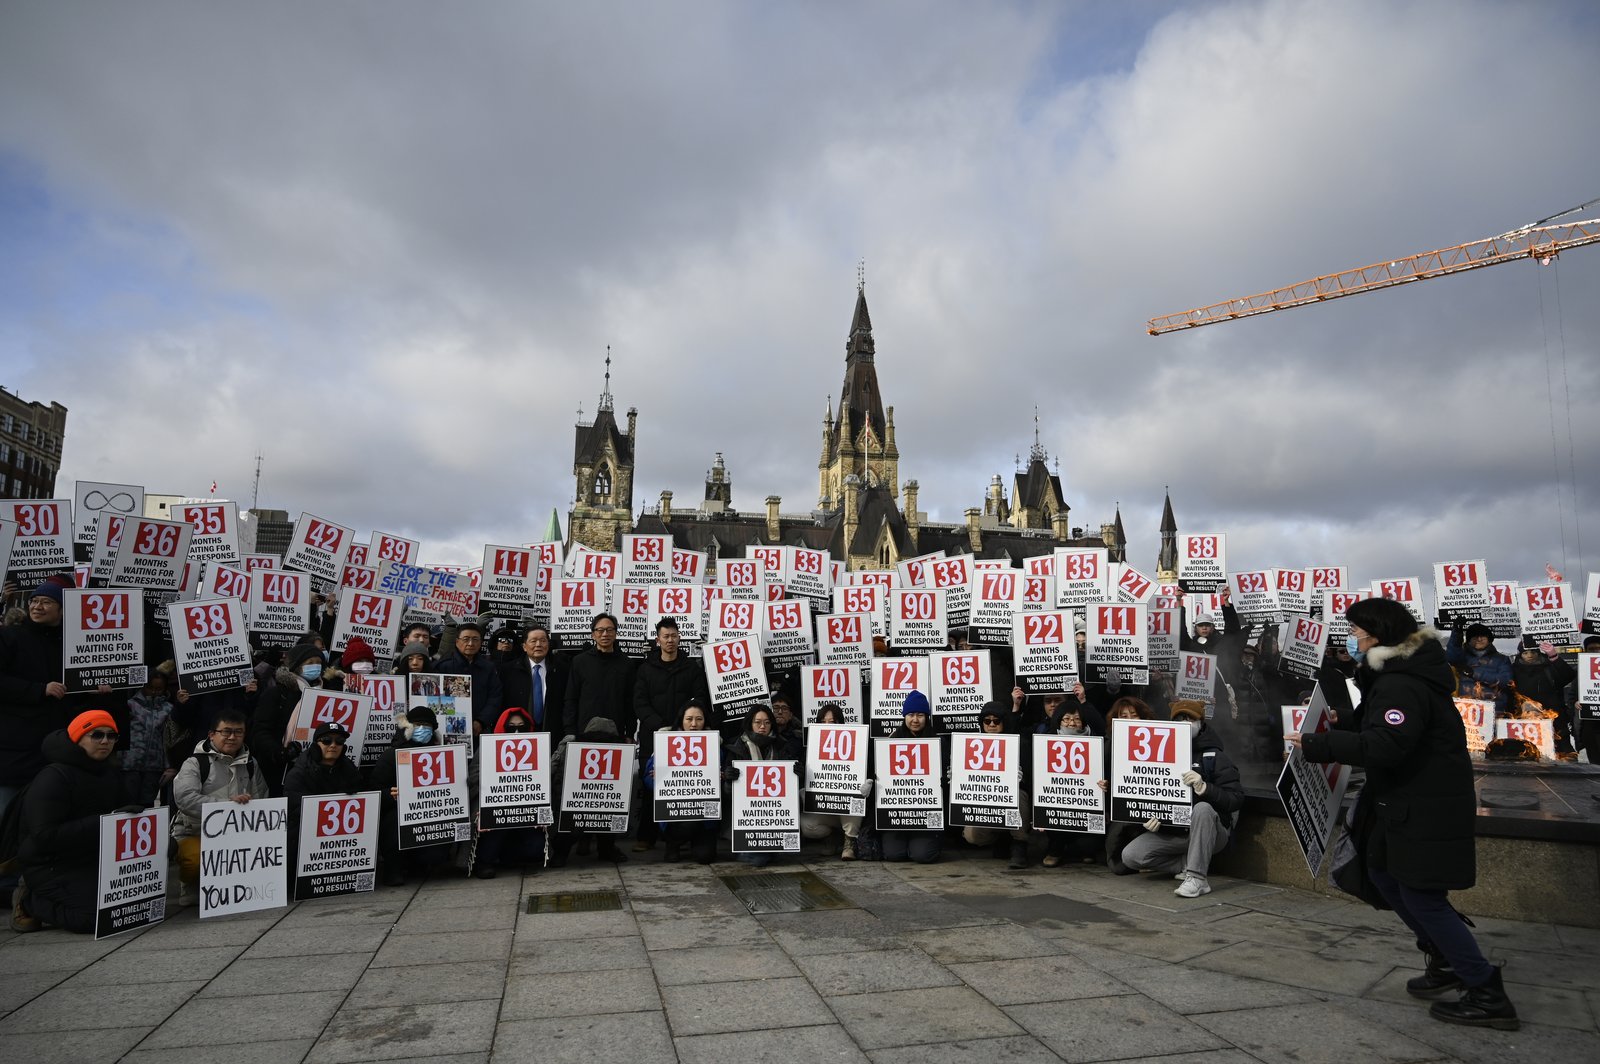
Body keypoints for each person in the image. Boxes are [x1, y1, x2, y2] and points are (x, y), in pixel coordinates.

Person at [1293, 598, 1518, 1030]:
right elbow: (1381, 725)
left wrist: (1319, 745)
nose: (1352, 638)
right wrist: (1341, 721)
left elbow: (1386, 744)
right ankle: (1446, 959)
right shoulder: (1396, 676)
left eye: (1356, 631)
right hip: (1403, 800)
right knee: (1382, 873)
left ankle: (1485, 990)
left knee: (1421, 896)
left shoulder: (1401, 684)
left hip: (1423, 803)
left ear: (1377, 635)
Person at [10, 710, 131, 933]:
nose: (105, 741)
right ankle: (30, 901)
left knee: (131, 907)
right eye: (97, 735)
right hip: (50, 864)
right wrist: (105, 822)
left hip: (90, 858)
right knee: (96, 918)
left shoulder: (111, 772)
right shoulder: (53, 777)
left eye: (111, 735)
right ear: (77, 738)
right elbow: (45, 836)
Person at [1116, 702, 1243, 898]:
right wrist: (1154, 820)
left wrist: (1206, 788)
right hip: (1177, 833)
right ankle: (1188, 863)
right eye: (1179, 719)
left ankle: (1197, 878)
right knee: (1130, 856)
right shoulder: (1159, 754)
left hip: (1211, 832)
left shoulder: (1214, 756)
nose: (1185, 723)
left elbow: (1235, 799)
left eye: (1190, 719)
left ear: (1201, 722)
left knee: (1202, 808)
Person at [170, 709, 272, 906]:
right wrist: (227, 806)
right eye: (226, 731)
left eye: (238, 732)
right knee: (193, 860)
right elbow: (185, 799)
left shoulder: (251, 763)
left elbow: (262, 799)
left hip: (237, 835)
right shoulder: (194, 763)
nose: (232, 737)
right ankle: (190, 885)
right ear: (212, 734)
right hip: (195, 833)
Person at [631, 618, 708, 850]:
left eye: (674, 636)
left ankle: (676, 836)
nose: (670, 640)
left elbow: (700, 698)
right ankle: (646, 837)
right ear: (658, 640)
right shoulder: (645, 669)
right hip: (652, 737)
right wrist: (659, 726)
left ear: (679, 638)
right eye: (665, 636)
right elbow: (639, 702)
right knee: (651, 783)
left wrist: (680, 725)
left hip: (684, 739)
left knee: (681, 786)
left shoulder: (692, 668)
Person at [471, 707, 547, 878]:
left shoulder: (538, 748)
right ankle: (485, 860)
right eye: (511, 726)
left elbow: (544, 778)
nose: (517, 731)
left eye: (521, 726)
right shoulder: (488, 747)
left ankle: (507, 855)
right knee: (491, 842)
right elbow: (473, 776)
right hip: (495, 811)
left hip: (525, 812)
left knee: (537, 848)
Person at [648, 698, 721, 864]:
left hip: (705, 816)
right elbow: (647, 777)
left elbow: (725, 778)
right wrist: (657, 780)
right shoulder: (665, 741)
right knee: (685, 824)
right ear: (681, 720)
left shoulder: (715, 743)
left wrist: (722, 777)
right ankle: (673, 843)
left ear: (705, 721)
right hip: (675, 814)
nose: (694, 724)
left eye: (699, 719)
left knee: (705, 857)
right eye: (689, 719)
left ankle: (695, 841)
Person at [960, 704, 1032, 869]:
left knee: (1018, 795)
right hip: (985, 796)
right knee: (972, 835)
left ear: (1004, 722)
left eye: (996, 721)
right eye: (987, 721)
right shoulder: (971, 745)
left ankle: (1019, 843)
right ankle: (1001, 838)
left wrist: (1020, 779)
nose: (992, 724)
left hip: (1013, 797)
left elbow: (1031, 781)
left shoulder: (1020, 743)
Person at [282, 721, 363, 862]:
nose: (333, 745)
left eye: (339, 741)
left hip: (341, 844)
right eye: (326, 740)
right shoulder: (298, 773)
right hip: (305, 841)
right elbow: (294, 809)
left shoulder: (351, 771)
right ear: (316, 745)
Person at [880, 690, 944, 865]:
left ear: (927, 717)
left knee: (923, 855)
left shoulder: (937, 741)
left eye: (920, 715)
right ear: (904, 716)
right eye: (911, 715)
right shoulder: (891, 740)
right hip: (897, 811)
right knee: (893, 855)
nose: (915, 720)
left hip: (926, 812)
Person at [797, 704, 866, 860]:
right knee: (807, 825)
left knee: (855, 801)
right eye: (823, 721)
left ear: (840, 723)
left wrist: (866, 783)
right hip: (825, 804)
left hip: (846, 806)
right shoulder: (811, 747)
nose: (827, 725)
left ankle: (849, 841)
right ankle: (833, 836)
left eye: (832, 721)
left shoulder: (855, 744)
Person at [724, 704, 782, 867]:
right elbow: (727, 795)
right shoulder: (736, 748)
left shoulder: (781, 746)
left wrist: (796, 774)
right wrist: (729, 780)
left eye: (767, 722)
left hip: (774, 812)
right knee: (758, 858)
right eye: (758, 722)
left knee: (767, 857)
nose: (762, 726)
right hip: (744, 815)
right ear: (750, 724)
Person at [564, 613, 636, 741]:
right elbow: (571, 699)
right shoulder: (580, 662)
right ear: (593, 634)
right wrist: (570, 731)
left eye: (609, 630)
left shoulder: (627, 664)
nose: (605, 634)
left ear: (616, 633)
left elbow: (630, 702)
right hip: (584, 732)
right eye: (600, 630)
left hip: (616, 733)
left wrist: (630, 733)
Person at [1509, 639, 1577, 758]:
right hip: (1525, 718)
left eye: (1533, 652)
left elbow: (1569, 675)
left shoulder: (1548, 665)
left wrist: (1554, 657)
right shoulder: (1513, 669)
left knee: (1565, 754)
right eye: (1525, 653)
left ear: (1538, 652)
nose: (1529, 655)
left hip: (1553, 716)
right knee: (1527, 752)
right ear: (1520, 654)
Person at [434, 621, 503, 735]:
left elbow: (495, 697)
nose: (470, 643)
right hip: (448, 726)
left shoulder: (488, 667)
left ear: (481, 642)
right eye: (466, 639)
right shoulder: (443, 666)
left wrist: (481, 721)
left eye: (475, 639)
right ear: (457, 641)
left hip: (480, 728)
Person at [500, 626, 566, 737]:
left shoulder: (562, 670)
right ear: (524, 647)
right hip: (519, 734)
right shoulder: (508, 671)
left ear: (548, 644)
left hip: (553, 732)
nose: (538, 645)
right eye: (533, 641)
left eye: (543, 640)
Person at [122, 670, 176, 807]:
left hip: (154, 765)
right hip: (130, 763)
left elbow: (169, 739)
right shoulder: (130, 705)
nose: (153, 692)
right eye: (150, 688)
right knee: (127, 802)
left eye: (158, 689)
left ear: (164, 689)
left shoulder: (168, 708)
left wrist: (169, 766)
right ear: (143, 686)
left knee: (147, 805)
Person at [1445, 622, 1512, 711]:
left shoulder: (1502, 659)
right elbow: (1451, 656)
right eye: (1475, 637)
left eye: (1483, 636)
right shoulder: (1462, 657)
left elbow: (1506, 681)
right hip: (1467, 708)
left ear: (1489, 639)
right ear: (1469, 640)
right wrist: (1457, 633)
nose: (1479, 639)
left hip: (1494, 709)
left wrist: (1475, 673)